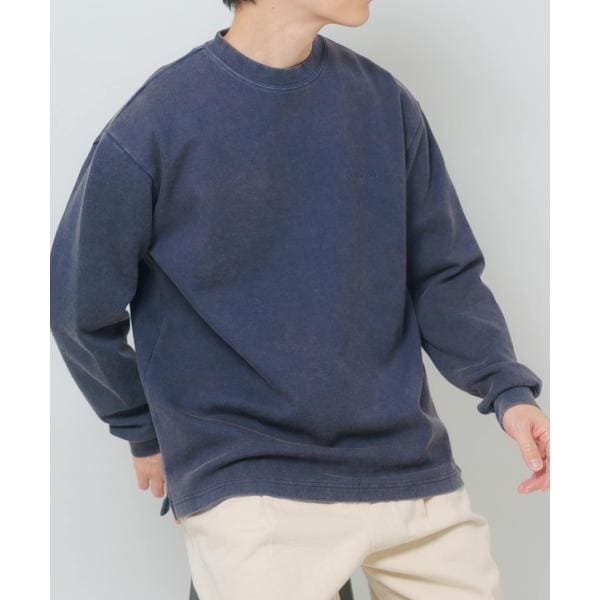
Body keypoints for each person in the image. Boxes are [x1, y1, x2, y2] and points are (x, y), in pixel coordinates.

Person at [50, 0, 549, 598]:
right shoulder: (158, 120)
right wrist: (141, 428)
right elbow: (79, 307)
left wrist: (508, 392)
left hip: (407, 470)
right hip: (252, 480)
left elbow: (443, 275)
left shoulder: (383, 103)